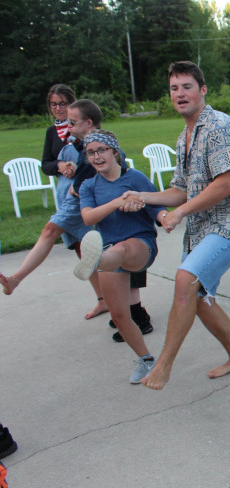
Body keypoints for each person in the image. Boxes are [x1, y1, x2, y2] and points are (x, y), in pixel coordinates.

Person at [123, 61, 230, 390]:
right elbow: (181, 189)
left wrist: (181, 212)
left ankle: (163, 365)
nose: (180, 94)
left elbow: (225, 184)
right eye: (174, 88)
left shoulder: (219, 126)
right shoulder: (184, 135)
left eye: (186, 86)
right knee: (198, 298)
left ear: (202, 90)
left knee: (186, 280)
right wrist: (144, 195)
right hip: (203, 228)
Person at [1, 98, 152, 337]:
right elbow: (53, 165)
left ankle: (134, 314)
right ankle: (119, 309)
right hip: (91, 206)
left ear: (89, 123)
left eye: (72, 122)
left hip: (91, 206)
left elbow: (115, 178)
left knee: (119, 254)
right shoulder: (83, 147)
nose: (68, 127)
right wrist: (65, 168)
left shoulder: (103, 152)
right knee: (101, 253)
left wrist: (163, 214)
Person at [72, 129, 165, 383]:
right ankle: (147, 361)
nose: (96, 156)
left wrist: (164, 218)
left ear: (115, 151)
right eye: (90, 152)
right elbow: (88, 217)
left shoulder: (134, 177)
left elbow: (156, 204)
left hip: (140, 245)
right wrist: (118, 202)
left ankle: (95, 262)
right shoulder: (88, 185)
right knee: (120, 316)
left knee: (121, 249)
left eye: (102, 150)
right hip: (110, 248)